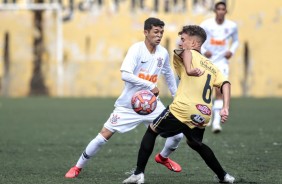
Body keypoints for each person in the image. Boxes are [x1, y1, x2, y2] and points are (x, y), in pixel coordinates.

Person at [65, 17, 184, 178]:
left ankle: (163, 157)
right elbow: (125, 75)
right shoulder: (136, 49)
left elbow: (169, 74)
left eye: (161, 32)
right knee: (103, 136)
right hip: (129, 105)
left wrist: (175, 95)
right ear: (146, 32)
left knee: (177, 134)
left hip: (151, 105)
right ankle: (77, 166)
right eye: (156, 32)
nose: (159, 35)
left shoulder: (162, 52)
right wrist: (149, 85)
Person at [123, 25, 235, 184]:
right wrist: (225, 107)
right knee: (196, 143)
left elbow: (187, 53)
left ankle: (138, 174)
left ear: (195, 44)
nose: (180, 43)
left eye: (183, 40)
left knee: (152, 130)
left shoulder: (188, 53)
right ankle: (224, 176)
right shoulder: (212, 66)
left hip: (183, 108)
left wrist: (189, 69)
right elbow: (226, 84)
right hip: (203, 113)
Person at [200, 0, 239, 133]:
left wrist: (231, 51)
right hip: (207, 61)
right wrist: (204, 51)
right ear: (215, 11)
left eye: (223, 9)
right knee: (206, 91)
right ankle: (208, 116)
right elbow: (198, 39)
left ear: (226, 11)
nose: (221, 11)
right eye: (219, 9)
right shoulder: (206, 24)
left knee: (219, 91)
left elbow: (236, 40)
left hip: (222, 62)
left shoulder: (232, 26)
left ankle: (216, 123)